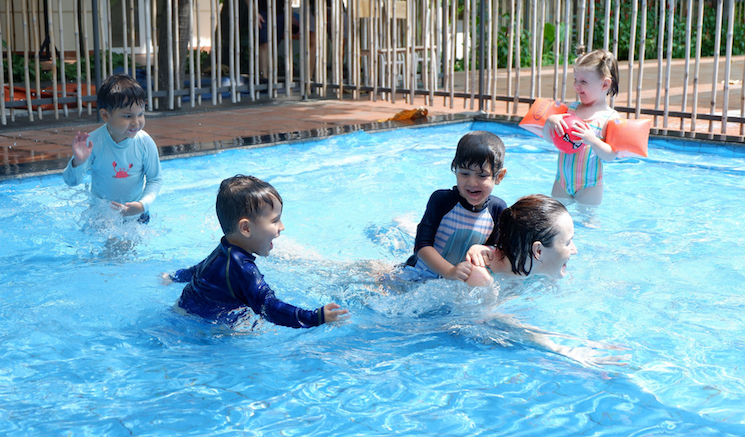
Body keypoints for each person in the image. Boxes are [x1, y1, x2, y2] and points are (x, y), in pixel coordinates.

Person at [165, 175, 349, 328]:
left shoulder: (224, 250)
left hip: (183, 312)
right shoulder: (242, 269)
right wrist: (314, 317)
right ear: (246, 228)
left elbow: (197, 271)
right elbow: (269, 307)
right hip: (203, 329)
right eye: (275, 220)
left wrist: (174, 276)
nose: (282, 227)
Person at [400, 131, 508, 283]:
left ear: (499, 176)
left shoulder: (497, 209)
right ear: (455, 170)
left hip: (456, 282)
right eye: (464, 173)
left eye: (482, 175)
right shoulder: (442, 201)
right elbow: (421, 246)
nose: (472, 182)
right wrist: (450, 271)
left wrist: (486, 251)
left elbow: (496, 250)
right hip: (418, 275)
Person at [62, 74, 162, 224]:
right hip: (101, 216)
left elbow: (155, 179)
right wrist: (78, 162)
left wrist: (142, 205)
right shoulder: (93, 143)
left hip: (135, 214)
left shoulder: (145, 142)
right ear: (105, 115)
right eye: (128, 116)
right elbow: (71, 182)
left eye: (140, 114)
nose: (136, 122)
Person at [542, 48, 621, 206]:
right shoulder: (571, 109)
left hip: (589, 185)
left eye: (583, 81)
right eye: (575, 79)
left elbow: (611, 156)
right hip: (561, 181)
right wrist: (550, 121)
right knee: (553, 220)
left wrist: (593, 140)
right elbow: (549, 139)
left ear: (605, 84)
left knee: (589, 223)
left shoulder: (610, 118)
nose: (577, 86)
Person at [467, 194, 577, 280]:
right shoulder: (483, 277)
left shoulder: (544, 269)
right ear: (538, 251)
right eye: (568, 243)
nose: (574, 250)